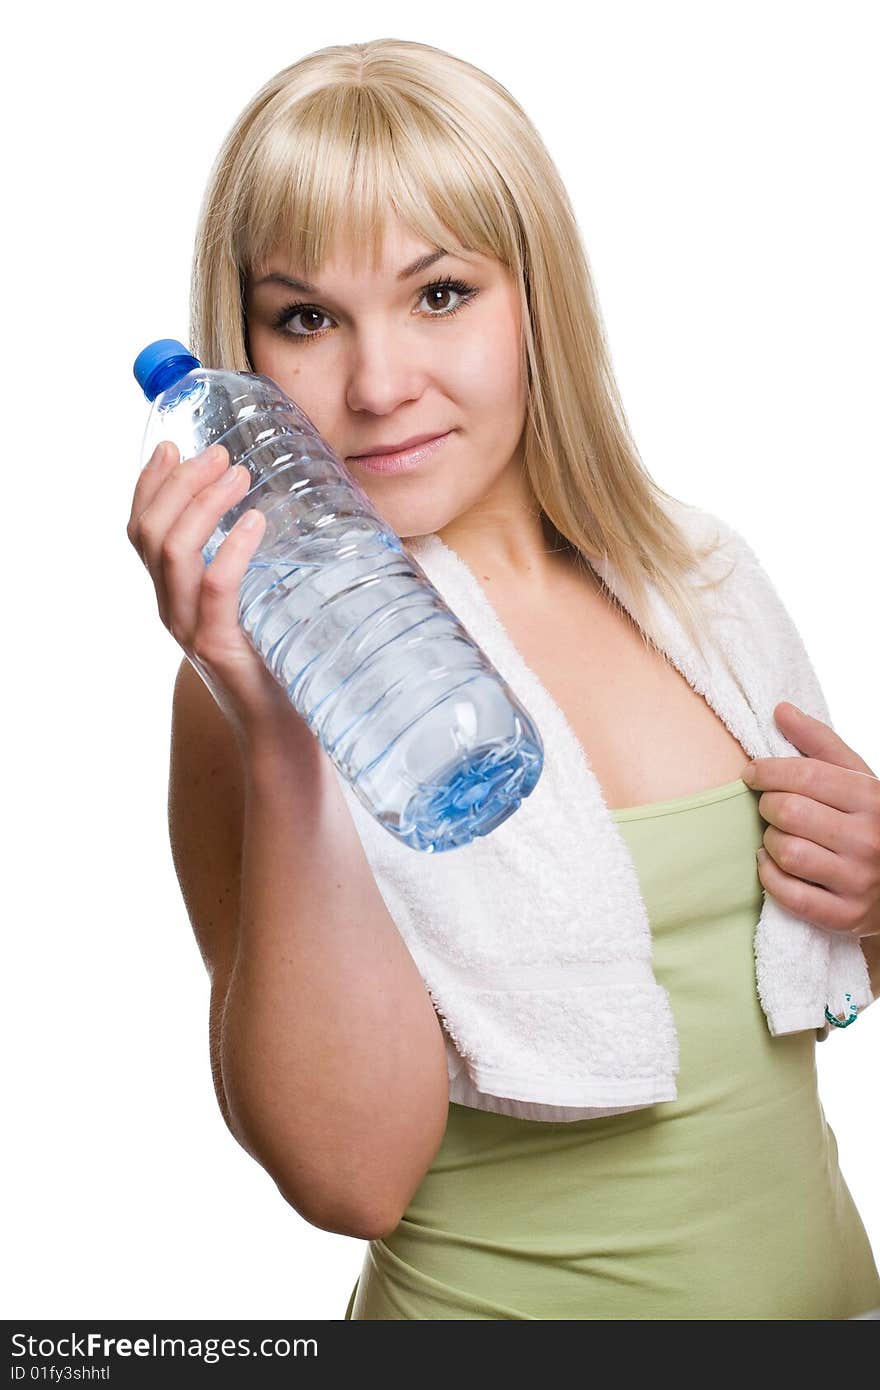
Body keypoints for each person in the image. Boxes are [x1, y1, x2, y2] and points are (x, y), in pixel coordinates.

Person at [127, 38, 880, 1319]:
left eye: (438, 295)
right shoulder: (258, 688)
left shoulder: (700, 577)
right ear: (241, 355)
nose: (375, 385)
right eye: (305, 317)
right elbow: (349, 1176)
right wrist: (281, 737)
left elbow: (798, 986)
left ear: (536, 296)